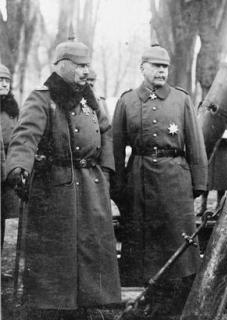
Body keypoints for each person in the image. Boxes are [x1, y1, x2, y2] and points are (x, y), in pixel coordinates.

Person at [5, 35, 121, 319]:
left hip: (90, 185)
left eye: (87, 65)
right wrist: (18, 167)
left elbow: (105, 134)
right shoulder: (42, 99)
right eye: (80, 65)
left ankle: (88, 302)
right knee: (58, 252)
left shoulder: (91, 100)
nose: (85, 71)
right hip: (56, 189)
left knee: (90, 249)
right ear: (62, 66)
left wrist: (104, 172)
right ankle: (53, 306)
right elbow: (25, 137)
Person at [111, 44, 208, 318]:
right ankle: (149, 298)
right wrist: (118, 187)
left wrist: (199, 181)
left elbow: (195, 143)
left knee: (177, 238)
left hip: (175, 178)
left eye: (165, 67)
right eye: (155, 66)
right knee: (144, 242)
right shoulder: (127, 101)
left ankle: (175, 302)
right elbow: (117, 148)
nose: (161, 71)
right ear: (143, 68)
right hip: (139, 179)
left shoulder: (181, 100)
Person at [197, 105, 227, 215]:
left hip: (226, 146)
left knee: (223, 178)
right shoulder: (207, 102)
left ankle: (219, 207)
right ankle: (202, 206)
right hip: (209, 143)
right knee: (206, 178)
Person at [0, 64, 19, 250]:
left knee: (4, 217)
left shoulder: (12, 108)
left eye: (7, 80)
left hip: (7, 171)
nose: (4, 84)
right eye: (0, 80)